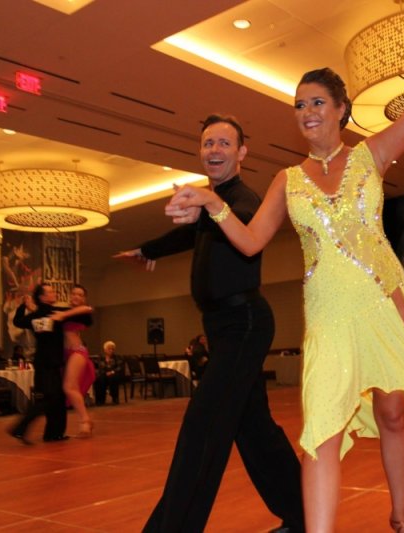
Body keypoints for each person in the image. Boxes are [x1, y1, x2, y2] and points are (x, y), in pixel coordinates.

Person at [159, 28, 404, 529]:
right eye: (298, 105)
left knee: (393, 413)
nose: (306, 111)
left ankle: (400, 516)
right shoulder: (286, 181)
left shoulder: (370, 156)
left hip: (382, 299)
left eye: (316, 101)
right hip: (329, 314)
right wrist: (211, 202)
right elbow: (249, 243)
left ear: (340, 108)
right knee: (322, 429)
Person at [115, 114, 304, 533]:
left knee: (202, 429)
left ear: (241, 153)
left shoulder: (242, 199)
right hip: (223, 330)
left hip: (245, 324)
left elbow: (243, 222)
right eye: (207, 144)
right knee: (254, 431)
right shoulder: (210, 207)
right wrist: (147, 249)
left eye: (223, 143)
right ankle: (303, 517)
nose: (213, 151)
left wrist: (206, 203)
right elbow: (186, 236)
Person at [8, 283, 75, 444]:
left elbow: (18, 321)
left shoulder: (36, 316)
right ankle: (19, 428)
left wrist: (23, 306)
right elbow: (74, 313)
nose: (54, 293)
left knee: (57, 398)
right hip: (49, 364)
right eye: (51, 291)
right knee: (48, 399)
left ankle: (54, 433)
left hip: (46, 362)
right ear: (42, 297)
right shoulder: (54, 313)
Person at [51, 284, 95, 438]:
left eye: (80, 295)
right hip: (65, 354)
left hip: (77, 352)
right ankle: (85, 420)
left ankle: (85, 421)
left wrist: (62, 316)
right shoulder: (67, 311)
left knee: (69, 387)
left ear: (84, 298)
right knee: (71, 388)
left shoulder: (82, 312)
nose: (76, 296)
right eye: (74, 294)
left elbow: (87, 309)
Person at [94, 340, 123, 405]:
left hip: (114, 374)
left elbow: (119, 367)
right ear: (105, 350)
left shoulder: (117, 357)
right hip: (104, 374)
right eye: (109, 349)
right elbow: (98, 367)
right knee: (99, 379)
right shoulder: (100, 358)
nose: (111, 350)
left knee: (113, 378)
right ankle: (100, 400)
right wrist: (104, 373)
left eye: (112, 349)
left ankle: (115, 398)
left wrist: (112, 372)